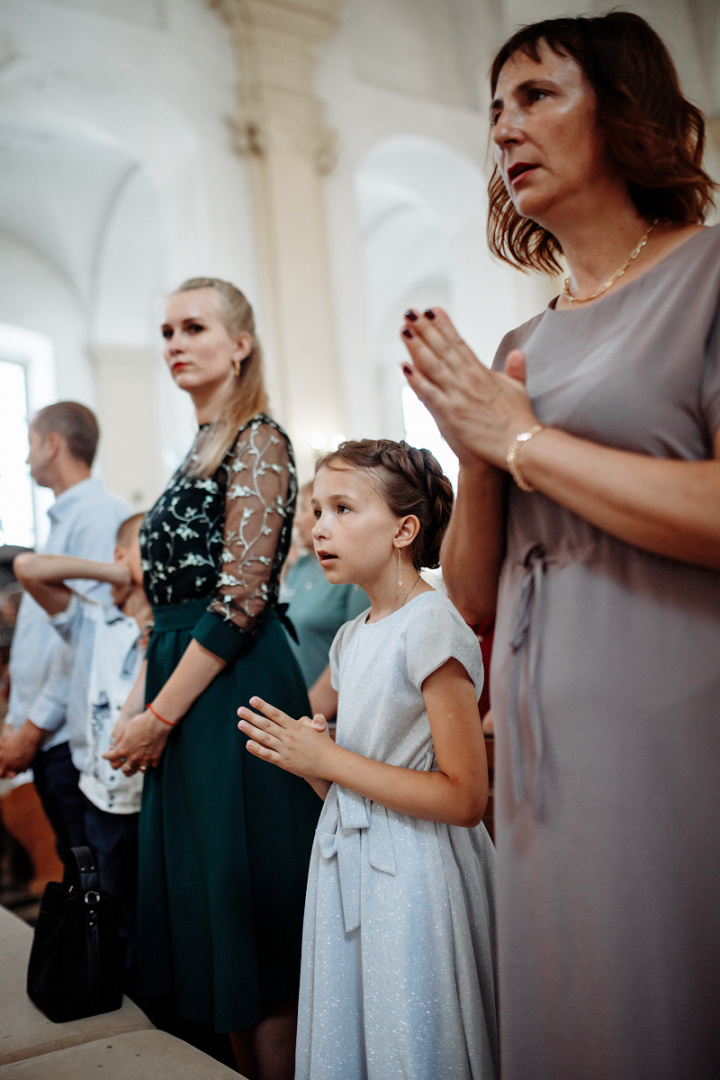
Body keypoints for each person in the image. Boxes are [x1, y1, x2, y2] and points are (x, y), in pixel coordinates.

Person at [399, 12, 720, 1079]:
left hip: (672, 720)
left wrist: (520, 437)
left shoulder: (708, 276)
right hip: (540, 744)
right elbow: (476, 595)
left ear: (625, 110)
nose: (506, 130)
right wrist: (480, 459)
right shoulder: (520, 344)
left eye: (537, 96)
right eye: (494, 111)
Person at [104, 278, 320, 1080]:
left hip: (233, 691)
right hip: (181, 691)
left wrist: (155, 716)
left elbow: (238, 603)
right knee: (208, 915)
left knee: (250, 914)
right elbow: (159, 609)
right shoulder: (194, 450)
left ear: (240, 345)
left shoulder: (257, 440)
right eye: (165, 331)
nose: (173, 344)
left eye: (193, 327)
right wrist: (135, 715)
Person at [238, 439, 498, 1080]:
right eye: (317, 510)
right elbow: (359, 791)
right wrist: (313, 768)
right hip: (349, 859)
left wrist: (329, 757)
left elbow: (465, 798)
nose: (319, 526)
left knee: (412, 1038)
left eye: (343, 509)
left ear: (404, 529)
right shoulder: (354, 636)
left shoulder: (431, 624)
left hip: (416, 874)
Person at [13, 514, 150, 995]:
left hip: (153, 797)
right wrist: (119, 571)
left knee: (150, 917)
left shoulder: (168, 628)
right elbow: (29, 568)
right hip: (101, 800)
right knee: (106, 909)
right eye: (149, 547)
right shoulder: (91, 619)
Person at [0, 403, 130, 868]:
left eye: (31, 444)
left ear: (52, 444)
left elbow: (86, 641)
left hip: (65, 736)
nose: (26, 458)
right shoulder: (64, 519)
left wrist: (29, 729)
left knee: (91, 879)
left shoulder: (99, 515)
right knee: (74, 873)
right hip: (47, 735)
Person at [280, 481, 369, 705]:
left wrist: (305, 715)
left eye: (304, 510)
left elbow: (354, 657)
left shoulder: (353, 576)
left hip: (323, 713)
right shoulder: (299, 566)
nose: (297, 519)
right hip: (288, 699)